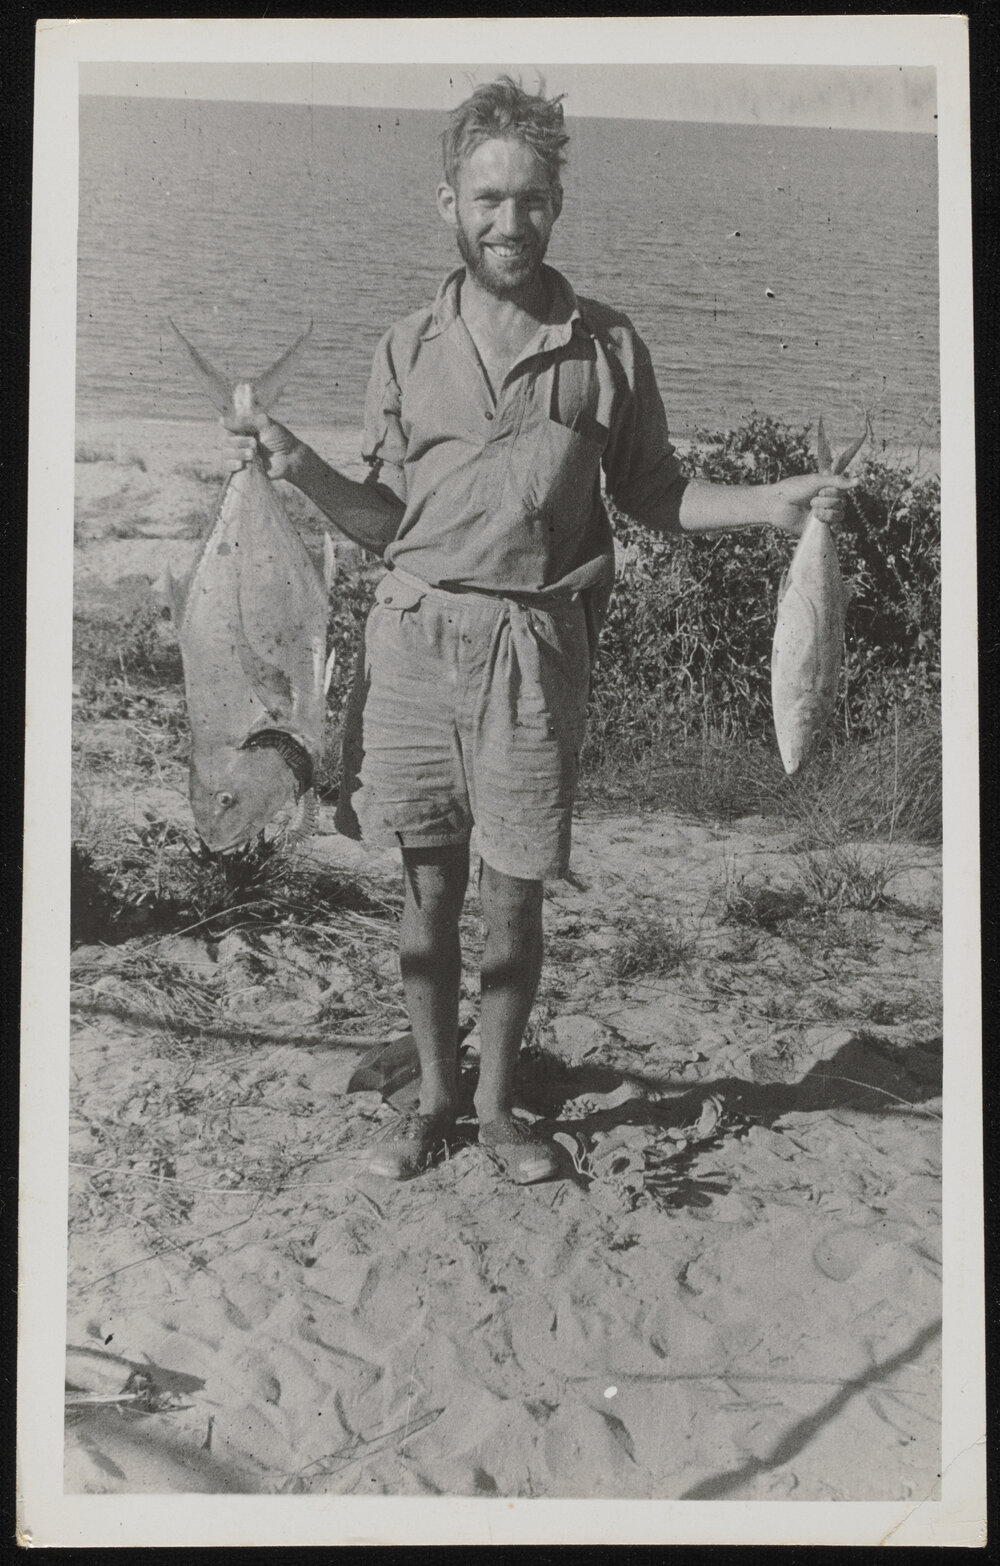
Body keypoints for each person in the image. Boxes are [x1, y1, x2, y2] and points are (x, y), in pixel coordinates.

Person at [224, 77, 848, 1185]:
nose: (508, 222)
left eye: (530, 199)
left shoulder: (606, 345)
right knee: (427, 891)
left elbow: (654, 492)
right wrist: (298, 465)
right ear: (449, 205)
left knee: (511, 895)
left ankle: (499, 1108)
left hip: (533, 648)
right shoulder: (405, 345)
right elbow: (388, 524)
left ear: (557, 204)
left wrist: (768, 504)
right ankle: (434, 1096)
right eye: (487, 199)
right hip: (413, 641)